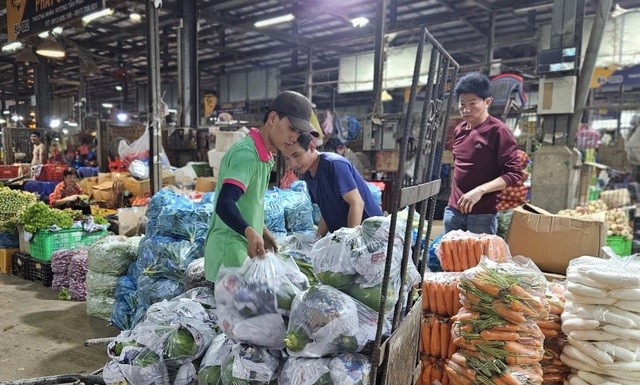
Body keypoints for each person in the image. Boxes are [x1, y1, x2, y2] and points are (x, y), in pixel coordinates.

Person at [204, 90, 316, 282]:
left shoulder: (263, 156)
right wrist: (249, 232)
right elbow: (225, 203)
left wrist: (262, 231)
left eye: (298, 133)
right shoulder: (247, 155)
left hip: (242, 250)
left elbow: (247, 202)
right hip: (229, 255)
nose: (293, 137)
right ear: (273, 118)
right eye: (291, 128)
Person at [444, 72, 521, 235]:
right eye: (462, 103)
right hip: (453, 211)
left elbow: (514, 174)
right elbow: (459, 165)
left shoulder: (498, 131)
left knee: (480, 260)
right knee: (451, 260)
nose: (466, 109)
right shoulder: (459, 129)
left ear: (487, 102)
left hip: (482, 215)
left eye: (472, 103)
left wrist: (480, 191)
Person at [282, 132, 383, 237]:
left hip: (372, 234)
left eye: (296, 155)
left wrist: (349, 243)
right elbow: (326, 211)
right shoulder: (308, 174)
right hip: (347, 235)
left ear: (311, 146)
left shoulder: (334, 164)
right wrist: (317, 239)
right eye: (287, 158)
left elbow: (357, 203)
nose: (293, 164)